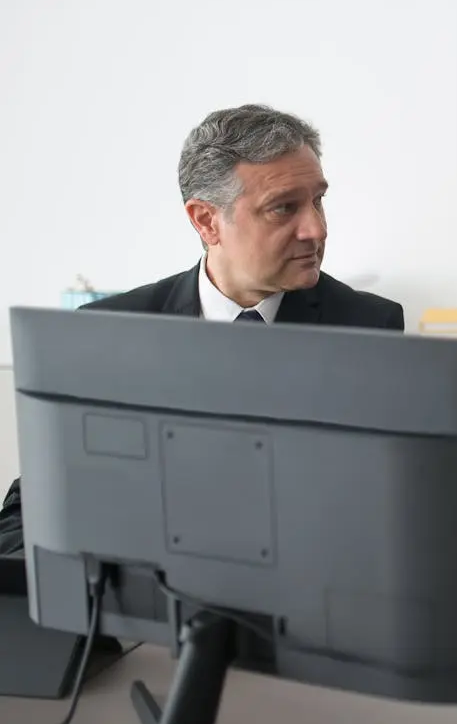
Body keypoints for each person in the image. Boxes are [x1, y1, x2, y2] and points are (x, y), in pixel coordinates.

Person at [0, 104, 404, 555]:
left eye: (318, 200)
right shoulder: (110, 332)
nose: (316, 228)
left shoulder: (368, 328)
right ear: (206, 221)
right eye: (283, 208)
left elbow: (385, 516)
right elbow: (36, 503)